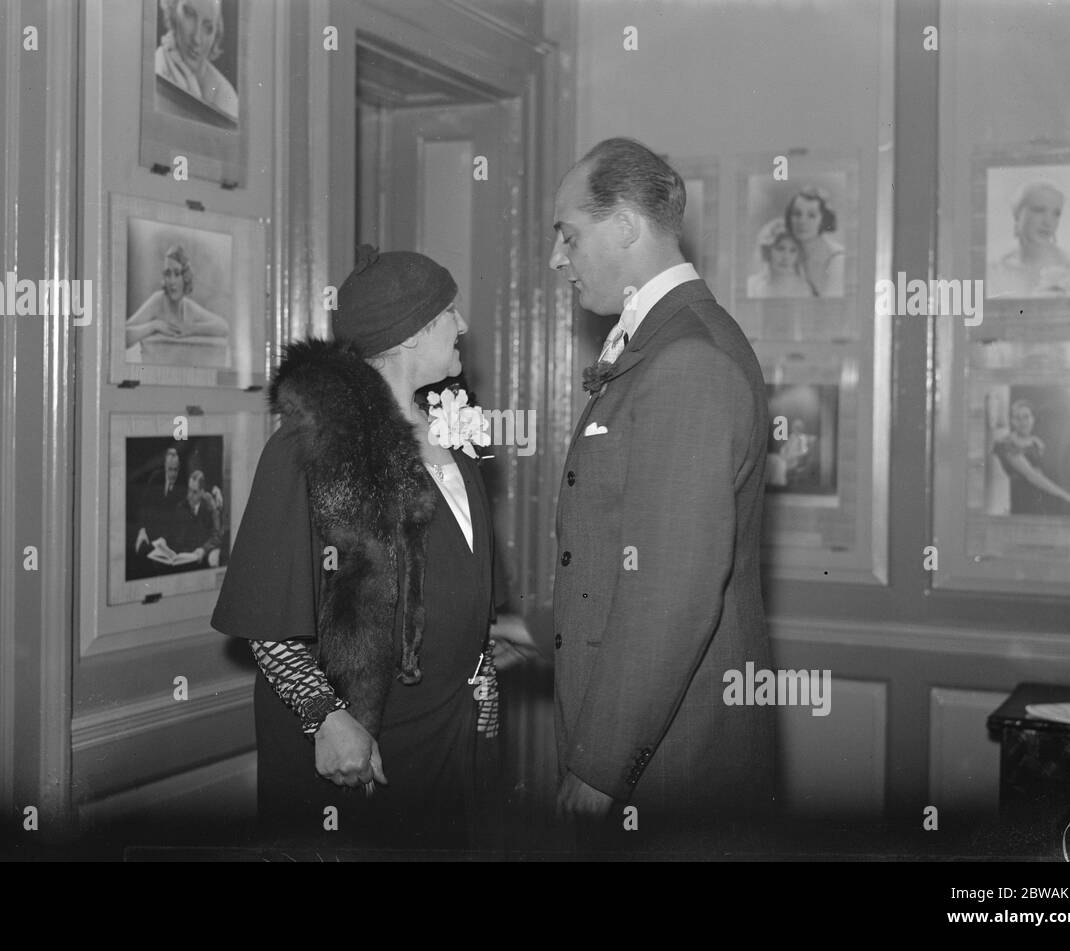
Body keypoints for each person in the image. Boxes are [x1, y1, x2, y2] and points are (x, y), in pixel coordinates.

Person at [211, 246, 535, 853]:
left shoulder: (453, 436)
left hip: (449, 743)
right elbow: (268, 628)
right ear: (409, 334)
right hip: (365, 750)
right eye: (449, 314)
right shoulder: (309, 449)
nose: (464, 326)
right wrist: (326, 719)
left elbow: (452, 594)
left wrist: (486, 672)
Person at [548, 138, 775, 851]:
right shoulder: (669, 339)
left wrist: (600, 765)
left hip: (670, 758)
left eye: (568, 234)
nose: (558, 258)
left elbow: (672, 587)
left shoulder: (686, 359)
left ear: (623, 227)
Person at [987, 182, 1070, 298]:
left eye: (1056, 214)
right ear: (1018, 214)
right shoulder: (993, 273)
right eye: (1039, 210)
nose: (1048, 222)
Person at [124, 246, 230, 358]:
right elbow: (121, 335)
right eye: (168, 274)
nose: (172, 281)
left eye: (177, 274)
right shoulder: (158, 301)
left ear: (186, 278)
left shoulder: (189, 307)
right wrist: (153, 326)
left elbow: (223, 327)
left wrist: (191, 329)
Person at [992, 399, 1070, 516]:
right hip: (1023, 503)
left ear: (1033, 419)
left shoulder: (1035, 442)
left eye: (1026, 417)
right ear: (1011, 421)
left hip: (1044, 496)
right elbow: (1032, 476)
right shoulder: (1006, 444)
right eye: (1017, 418)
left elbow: (1044, 471)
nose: (1023, 422)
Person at [154, 0, 239, 123]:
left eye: (208, 28)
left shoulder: (226, 96)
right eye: (189, 14)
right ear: (173, 9)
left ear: (216, 34)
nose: (197, 39)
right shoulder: (159, 64)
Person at [784, 186, 844, 297]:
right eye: (797, 214)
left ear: (823, 220)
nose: (802, 221)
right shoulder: (786, 252)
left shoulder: (836, 259)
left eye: (811, 215)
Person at [747, 219, 812, 298]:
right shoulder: (752, 285)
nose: (786, 257)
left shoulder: (803, 289)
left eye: (793, 251)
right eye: (780, 248)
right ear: (768, 250)